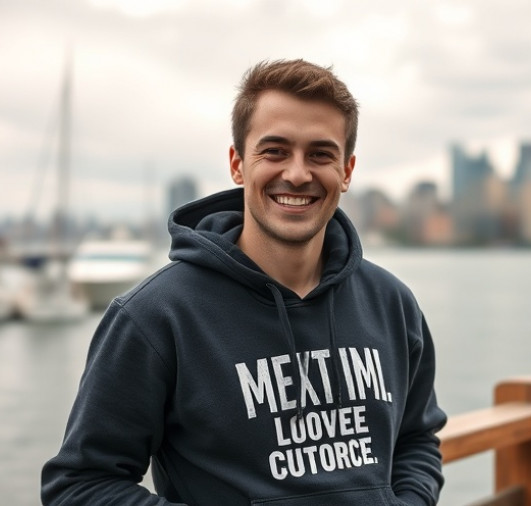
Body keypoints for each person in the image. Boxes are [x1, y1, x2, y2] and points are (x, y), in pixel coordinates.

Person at [41, 59, 447, 506]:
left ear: (346, 171)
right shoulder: (155, 316)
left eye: (320, 154)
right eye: (274, 151)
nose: (297, 173)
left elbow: (416, 438)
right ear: (238, 164)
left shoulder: (392, 303)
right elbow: (79, 486)